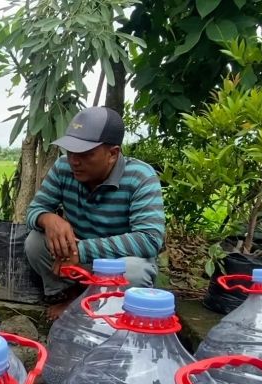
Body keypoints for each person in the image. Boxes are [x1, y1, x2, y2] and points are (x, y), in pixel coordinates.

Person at [24, 106, 165, 319]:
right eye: (70, 151)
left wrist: (81, 251)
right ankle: (70, 293)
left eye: (85, 154)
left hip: (116, 262)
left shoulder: (141, 177)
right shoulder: (64, 168)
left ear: (112, 154)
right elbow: (34, 211)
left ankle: (96, 306)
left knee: (135, 271)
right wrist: (48, 218)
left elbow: (149, 239)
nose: (74, 160)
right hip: (74, 259)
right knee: (34, 242)